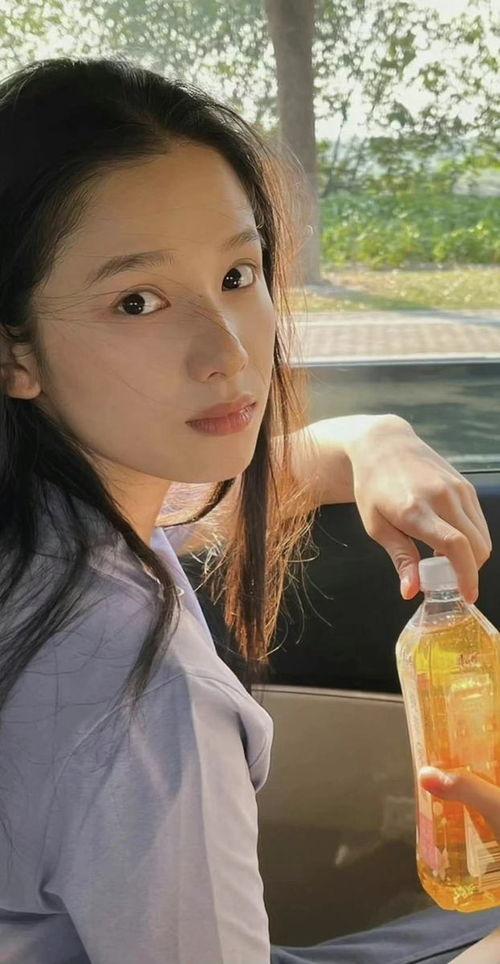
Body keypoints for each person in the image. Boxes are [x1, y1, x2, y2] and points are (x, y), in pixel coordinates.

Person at [0, 54, 498, 964]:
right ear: (15, 352)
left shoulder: (43, 526)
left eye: (239, 274)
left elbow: (200, 506)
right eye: (138, 301)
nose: (228, 352)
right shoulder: (146, 705)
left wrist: (372, 436)